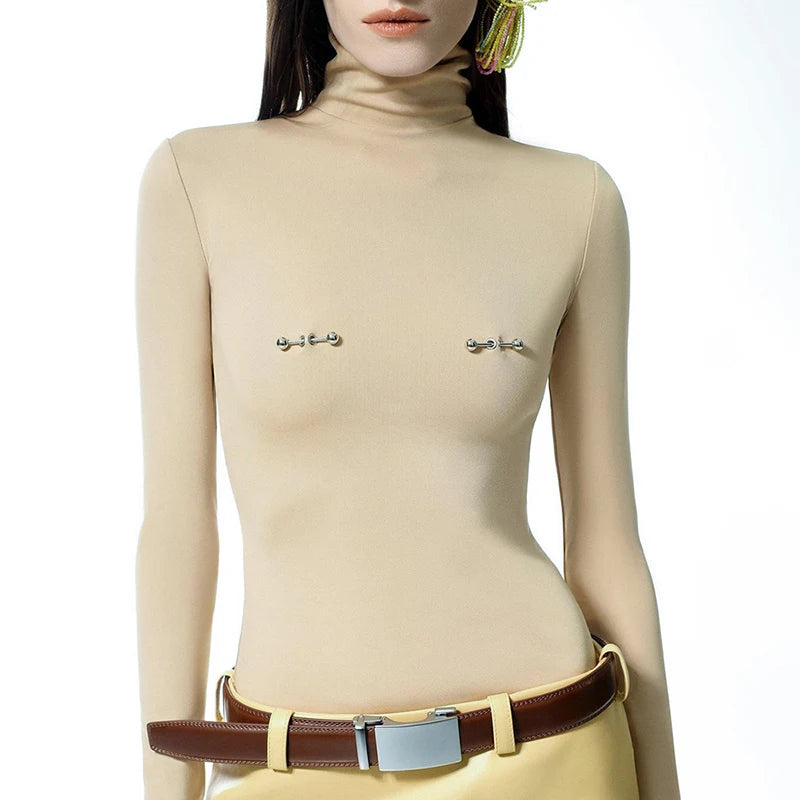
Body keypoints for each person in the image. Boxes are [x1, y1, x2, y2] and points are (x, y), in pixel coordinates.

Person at [135, 1, 681, 798]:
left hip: (551, 752)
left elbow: (607, 546)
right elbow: (178, 529)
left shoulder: (579, 199)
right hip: (290, 764)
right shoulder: (195, 181)